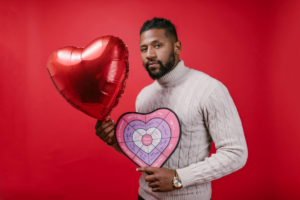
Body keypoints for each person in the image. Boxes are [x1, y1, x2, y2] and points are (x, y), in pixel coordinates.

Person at [95, 18, 248, 200]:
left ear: (177, 47)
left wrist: (178, 178)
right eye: (144, 49)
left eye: (157, 45)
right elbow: (145, 154)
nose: (149, 54)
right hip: (144, 197)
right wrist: (115, 141)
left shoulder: (210, 90)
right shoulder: (144, 96)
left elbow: (235, 153)